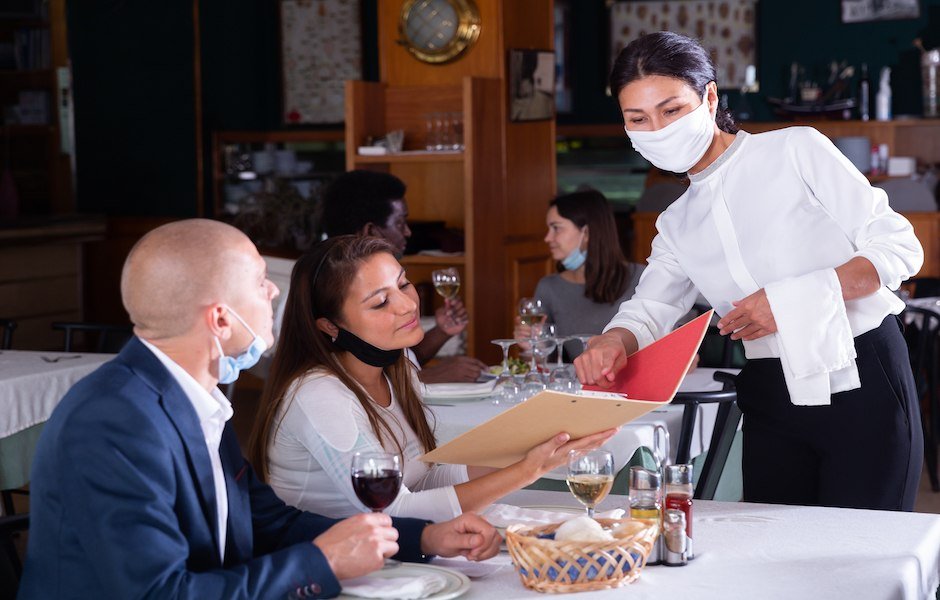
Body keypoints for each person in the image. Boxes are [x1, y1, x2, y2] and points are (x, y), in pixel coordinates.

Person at [19, 220, 500, 599]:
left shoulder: (194, 397)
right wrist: (323, 564)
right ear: (220, 319)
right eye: (258, 282)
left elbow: (272, 523)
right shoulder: (115, 423)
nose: (274, 292)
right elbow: (160, 593)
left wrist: (425, 539)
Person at [575, 32, 924, 511]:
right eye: (638, 119)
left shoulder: (795, 151)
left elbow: (899, 248)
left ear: (710, 96)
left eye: (671, 110)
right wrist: (613, 340)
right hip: (769, 394)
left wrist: (787, 302)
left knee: (867, 556)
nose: (656, 129)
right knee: (775, 562)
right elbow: (650, 309)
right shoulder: (676, 223)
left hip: (863, 375)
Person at [249, 235, 616, 521]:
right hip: (332, 571)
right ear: (330, 326)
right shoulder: (319, 394)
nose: (408, 305)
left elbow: (425, 479)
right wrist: (527, 470)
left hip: (390, 555)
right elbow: (395, 510)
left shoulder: (399, 367)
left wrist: (537, 453)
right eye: (380, 302)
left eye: (404, 285)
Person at [320, 169, 486, 383]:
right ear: (370, 231)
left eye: (404, 284)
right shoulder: (322, 293)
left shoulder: (375, 279)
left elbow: (395, 363)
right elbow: (344, 385)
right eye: (400, 222)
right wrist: (432, 376)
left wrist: (442, 331)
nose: (408, 232)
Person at [514, 189, 644, 360]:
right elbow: (549, 362)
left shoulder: (641, 278)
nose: (547, 238)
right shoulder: (549, 287)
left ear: (587, 233)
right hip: (579, 384)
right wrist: (532, 348)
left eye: (556, 228)